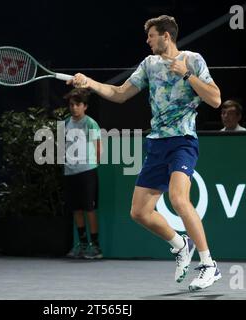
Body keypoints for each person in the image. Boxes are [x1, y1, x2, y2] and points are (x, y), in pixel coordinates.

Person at [68, 15, 222, 291]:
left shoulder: (193, 59)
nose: (147, 40)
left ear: (166, 35)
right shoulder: (149, 65)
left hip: (183, 141)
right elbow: (119, 93)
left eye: (151, 35)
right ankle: (180, 243)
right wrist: (89, 83)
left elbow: (215, 98)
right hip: (157, 144)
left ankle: (209, 264)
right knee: (139, 212)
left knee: (178, 198)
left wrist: (186, 74)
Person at [63, 88, 103, 259]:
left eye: (77, 104)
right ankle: (82, 244)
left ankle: (96, 247)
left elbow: (98, 146)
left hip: (87, 171)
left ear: (85, 106)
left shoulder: (90, 123)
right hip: (70, 172)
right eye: (71, 105)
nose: (74, 108)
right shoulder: (65, 123)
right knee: (76, 210)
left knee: (89, 209)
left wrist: (93, 164)